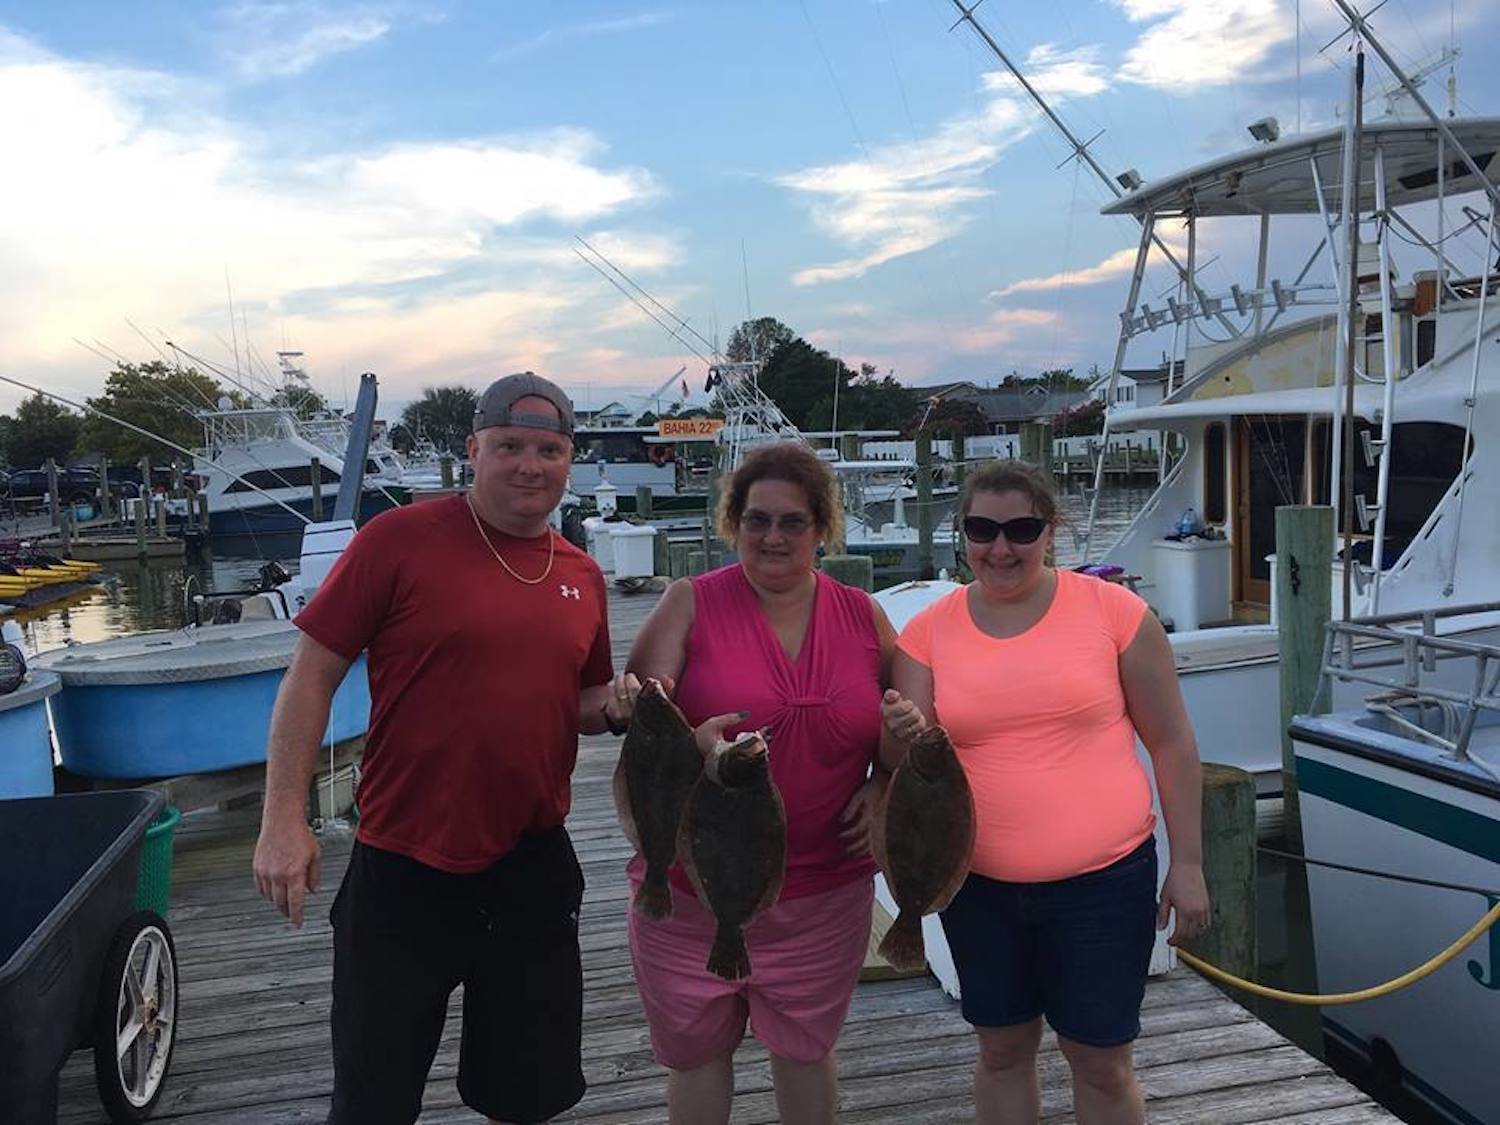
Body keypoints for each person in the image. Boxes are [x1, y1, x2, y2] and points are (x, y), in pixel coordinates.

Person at [252, 372, 644, 1125]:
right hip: (405, 862)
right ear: (473, 450)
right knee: (373, 1100)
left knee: (528, 1096)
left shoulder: (582, 573)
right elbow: (310, 676)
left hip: (531, 865)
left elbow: (582, 702)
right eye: (509, 446)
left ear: (570, 460)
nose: (529, 465)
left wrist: (621, 707)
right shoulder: (397, 539)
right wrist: (282, 818)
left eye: (549, 450)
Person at [881, 460, 1210, 1125]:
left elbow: (1173, 743)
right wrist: (900, 730)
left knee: (1101, 1061)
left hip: (1105, 885)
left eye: (1021, 530)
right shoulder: (926, 632)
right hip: (975, 886)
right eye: (982, 529)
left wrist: (1190, 864)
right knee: (1002, 1052)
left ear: (1051, 530)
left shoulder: (1117, 613)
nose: (1000, 548)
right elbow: (900, 767)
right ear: (962, 532)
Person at [626, 442, 896, 1125]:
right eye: (757, 519)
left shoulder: (863, 615)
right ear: (733, 523)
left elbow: (910, 721)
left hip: (823, 891)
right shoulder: (689, 602)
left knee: (806, 1051)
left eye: (792, 521)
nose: (773, 536)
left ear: (822, 528)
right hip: (692, 888)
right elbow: (642, 721)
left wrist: (887, 782)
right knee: (695, 1056)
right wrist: (692, 743)